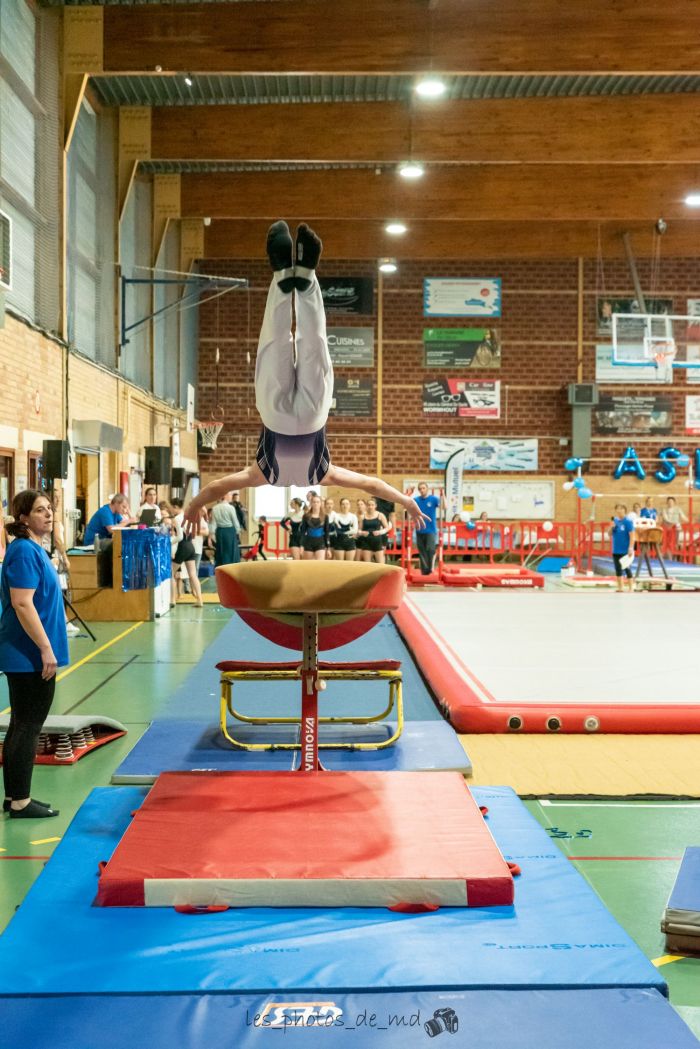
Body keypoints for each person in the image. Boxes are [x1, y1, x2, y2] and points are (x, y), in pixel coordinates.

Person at [182, 221, 426, 533]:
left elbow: (371, 484)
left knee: (314, 346)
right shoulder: (264, 474)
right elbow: (216, 487)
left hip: (311, 417)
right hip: (276, 416)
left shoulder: (321, 474)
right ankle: (284, 277)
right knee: (275, 345)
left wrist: (406, 501)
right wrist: (194, 505)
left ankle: (305, 277)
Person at [0, 490, 67, 818]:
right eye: (40, 510)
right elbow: (22, 603)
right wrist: (45, 648)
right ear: (23, 517)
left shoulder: (33, 548)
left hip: (28, 652)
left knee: (21, 724)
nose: (49, 514)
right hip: (28, 653)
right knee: (28, 726)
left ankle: (15, 797)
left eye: (50, 508)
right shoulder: (25, 551)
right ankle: (20, 801)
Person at [170, 498, 203, 607]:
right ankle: (200, 599)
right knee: (193, 574)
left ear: (175, 507)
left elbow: (179, 537)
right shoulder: (189, 517)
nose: (171, 511)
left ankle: (172, 600)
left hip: (183, 546)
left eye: (172, 508)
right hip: (191, 546)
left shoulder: (176, 518)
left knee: (171, 573)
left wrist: (169, 543)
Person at [414, 482, 441, 576]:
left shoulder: (433, 499)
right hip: (419, 529)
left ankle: (430, 569)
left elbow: (444, 507)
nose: (422, 490)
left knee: (430, 550)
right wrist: (407, 495)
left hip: (431, 529)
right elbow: (407, 507)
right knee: (422, 551)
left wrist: (443, 495)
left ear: (427, 489)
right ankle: (424, 571)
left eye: (423, 488)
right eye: (420, 489)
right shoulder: (416, 500)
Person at [609, 503, 635, 593]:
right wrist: (611, 527)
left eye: (621, 508)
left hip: (625, 550)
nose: (619, 510)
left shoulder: (628, 522)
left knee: (627, 568)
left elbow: (632, 536)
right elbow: (609, 533)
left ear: (625, 510)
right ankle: (620, 587)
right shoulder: (615, 521)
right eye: (618, 508)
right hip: (616, 549)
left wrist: (631, 548)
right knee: (618, 569)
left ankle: (631, 587)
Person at [210, 493, 241, 567]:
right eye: (229, 495)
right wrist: (238, 532)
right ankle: (231, 569)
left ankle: (221, 569)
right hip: (230, 532)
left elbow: (213, 523)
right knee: (231, 553)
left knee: (221, 553)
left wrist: (212, 535)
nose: (231, 497)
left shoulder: (214, 508)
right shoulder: (231, 508)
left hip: (219, 532)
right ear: (225, 496)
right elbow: (235, 522)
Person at [357, 498, 389, 564]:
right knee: (368, 565)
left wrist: (380, 532)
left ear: (375, 506)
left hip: (377, 542)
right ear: (367, 506)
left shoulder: (380, 515)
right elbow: (358, 530)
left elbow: (387, 528)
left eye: (372, 505)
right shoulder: (362, 516)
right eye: (369, 505)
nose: (370, 507)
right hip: (366, 542)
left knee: (381, 565)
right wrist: (362, 533)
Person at [300, 493, 330, 560]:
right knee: (308, 564)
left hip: (320, 543)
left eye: (318, 502)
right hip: (308, 542)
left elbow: (327, 532)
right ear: (311, 503)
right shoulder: (306, 516)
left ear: (320, 503)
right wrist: (301, 546)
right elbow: (303, 532)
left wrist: (328, 548)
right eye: (314, 502)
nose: (316, 503)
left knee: (320, 564)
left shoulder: (325, 516)